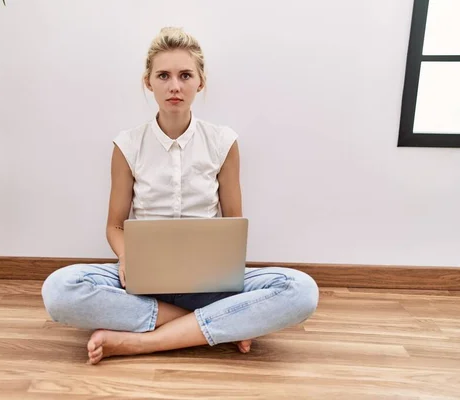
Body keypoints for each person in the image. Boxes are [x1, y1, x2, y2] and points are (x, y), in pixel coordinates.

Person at [41, 27, 319, 365]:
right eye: (164, 75)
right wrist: (128, 258)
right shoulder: (127, 145)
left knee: (301, 290)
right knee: (59, 290)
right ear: (149, 82)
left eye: (185, 75)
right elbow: (115, 226)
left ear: (200, 81)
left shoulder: (223, 142)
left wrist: (221, 269)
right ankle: (220, 323)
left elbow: (233, 224)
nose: (175, 86)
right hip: (143, 278)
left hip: (209, 281)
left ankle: (144, 341)